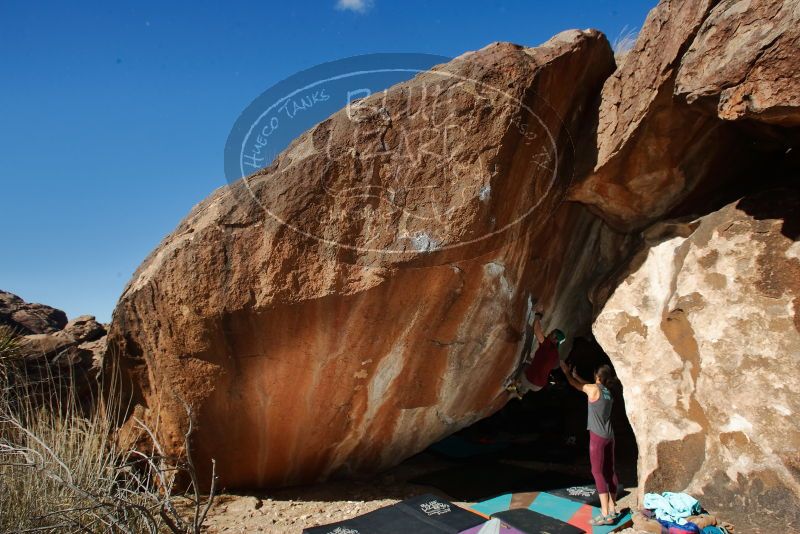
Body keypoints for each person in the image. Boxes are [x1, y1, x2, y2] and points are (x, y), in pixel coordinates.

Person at [560, 361, 621, 526]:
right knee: (610, 470)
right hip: (610, 436)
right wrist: (577, 375)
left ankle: (605, 513)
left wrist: (567, 374)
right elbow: (588, 384)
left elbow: (576, 385)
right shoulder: (608, 392)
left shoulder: (593, 389)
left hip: (598, 437)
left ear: (598, 376)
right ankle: (612, 507)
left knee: (597, 472)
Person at [506, 302, 566, 398]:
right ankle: (521, 393)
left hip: (531, 380)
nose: (550, 333)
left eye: (552, 333)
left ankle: (510, 385)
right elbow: (554, 366)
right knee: (530, 367)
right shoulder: (555, 353)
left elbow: (537, 331)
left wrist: (538, 314)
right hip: (538, 386)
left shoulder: (548, 345)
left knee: (524, 366)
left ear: (555, 339)